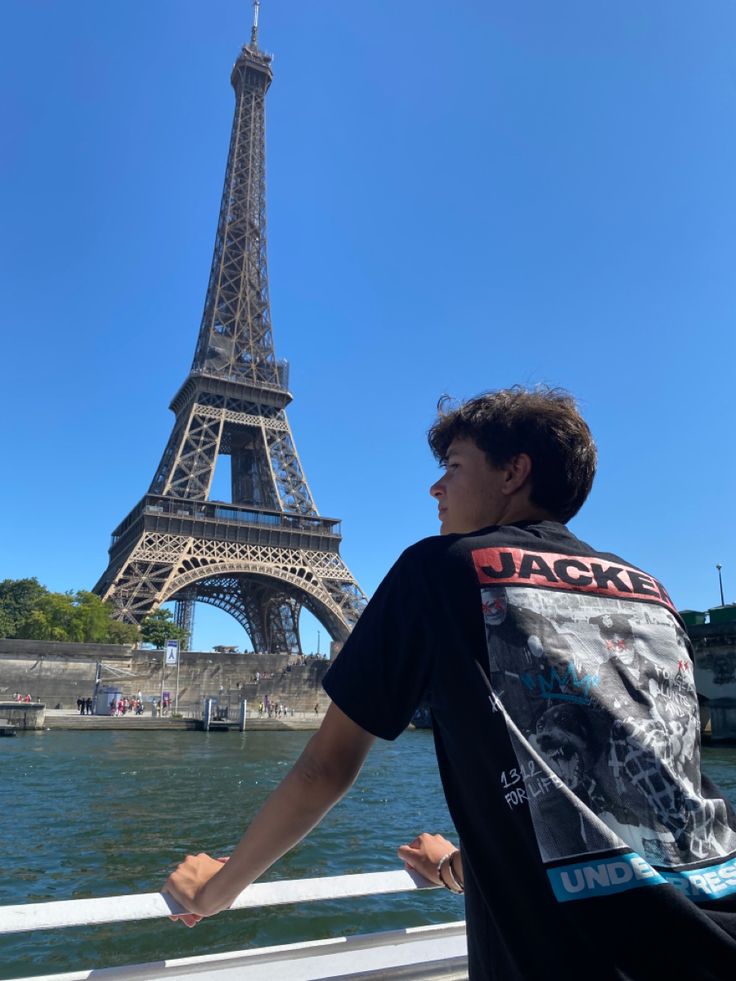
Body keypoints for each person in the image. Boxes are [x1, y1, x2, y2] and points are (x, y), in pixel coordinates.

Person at [163, 387, 736, 978]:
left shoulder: (438, 568)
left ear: (514, 472)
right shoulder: (650, 591)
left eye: (453, 468)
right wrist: (461, 866)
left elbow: (324, 768)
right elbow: (625, 784)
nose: (435, 488)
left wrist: (217, 890)